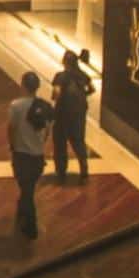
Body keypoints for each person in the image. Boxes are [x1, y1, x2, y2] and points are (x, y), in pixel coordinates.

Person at [7, 71, 52, 240]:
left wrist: (12, 145)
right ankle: (21, 214)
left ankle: (31, 226)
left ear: (23, 85)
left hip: (22, 154)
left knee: (26, 190)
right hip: (38, 156)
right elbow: (48, 130)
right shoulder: (46, 106)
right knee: (28, 188)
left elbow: (11, 128)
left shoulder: (16, 106)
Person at [51, 49, 93, 182]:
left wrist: (54, 99)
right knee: (78, 140)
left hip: (63, 113)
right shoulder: (83, 75)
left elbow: (56, 92)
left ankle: (61, 171)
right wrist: (84, 95)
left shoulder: (60, 76)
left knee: (60, 142)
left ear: (65, 62)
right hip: (79, 113)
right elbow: (92, 89)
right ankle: (84, 167)